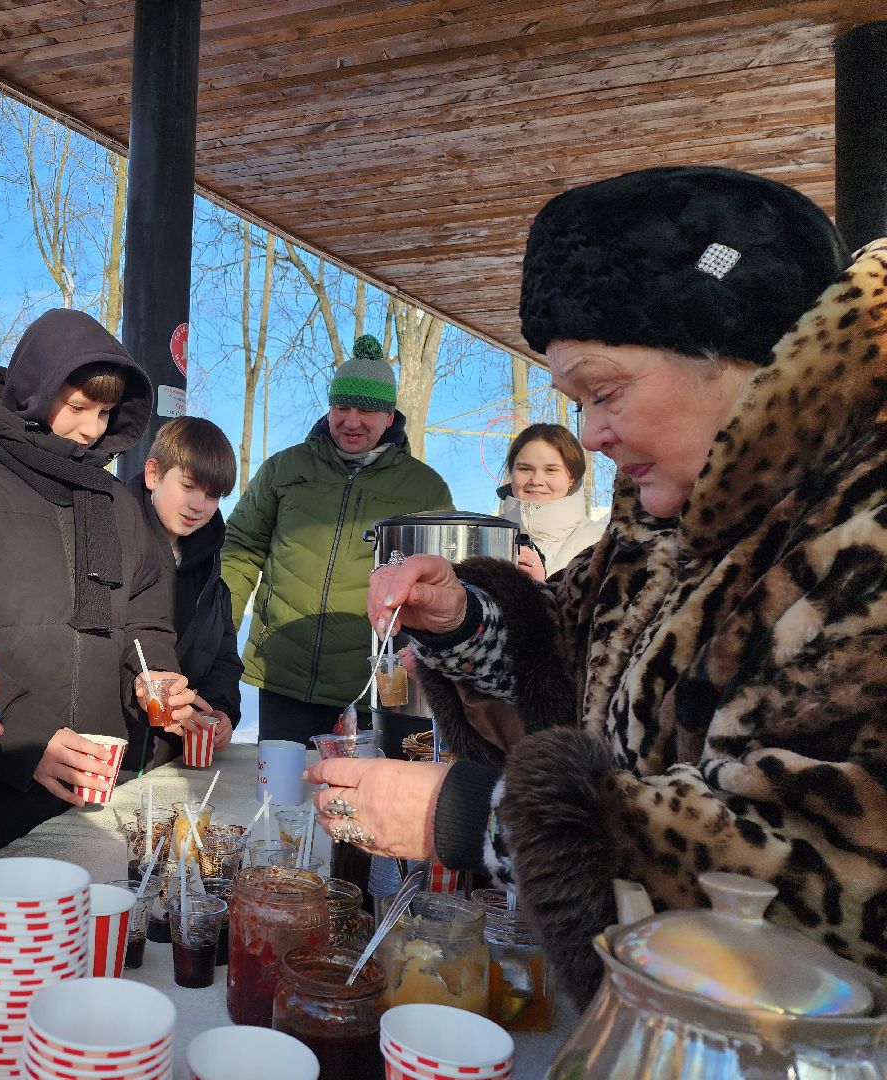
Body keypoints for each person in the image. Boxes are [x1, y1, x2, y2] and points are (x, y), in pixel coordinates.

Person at [307, 165, 887, 1007]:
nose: (593, 434)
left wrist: (478, 818)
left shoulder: (860, 533)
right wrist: (464, 618)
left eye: (604, 391)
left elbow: (835, 873)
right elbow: (559, 653)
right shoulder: (661, 534)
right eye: (574, 400)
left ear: (741, 356)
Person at [0, 308, 196, 871]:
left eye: (106, 412)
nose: (92, 429)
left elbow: (145, 621)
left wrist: (154, 676)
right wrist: (27, 737)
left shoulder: (117, 503)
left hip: (96, 793)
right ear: (35, 386)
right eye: (79, 406)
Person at [222, 334, 453, 743]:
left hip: (375, 686)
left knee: (359, 802)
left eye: (366, 409)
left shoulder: (425, 489)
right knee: (281, 794)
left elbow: (443, 584)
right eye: (341, 407)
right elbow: (241, 550)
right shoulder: (284, 469)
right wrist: (219, 630)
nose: (350, 421)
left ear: (389, 416)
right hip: (284, 676)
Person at [125, 417, 242, 772]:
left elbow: (223, 656)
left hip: (178, 760)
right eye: (189, 486)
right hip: (114, 751)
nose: (198, 505)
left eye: (212, 495)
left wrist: (220, 710)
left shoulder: (209, 567)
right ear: (152, 474)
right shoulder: (115, 540)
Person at [497, 423, 604, 580]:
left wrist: (540, 587)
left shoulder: (600, 543)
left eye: (551, 470)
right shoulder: (485, 535)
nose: (536, 480)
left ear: (571, 479)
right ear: (512, 473)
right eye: (525, 469)